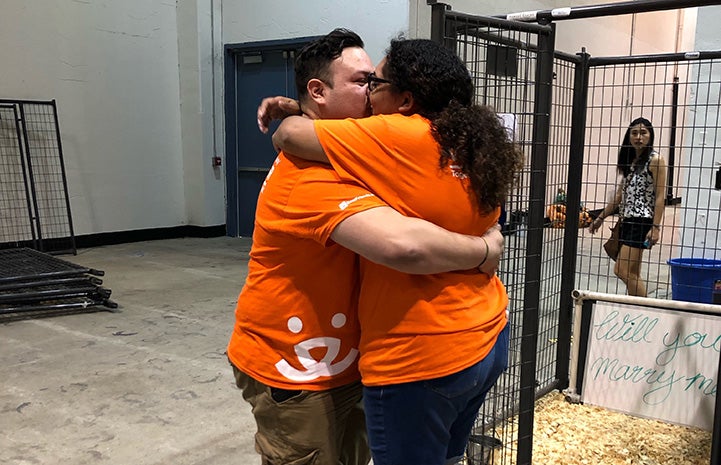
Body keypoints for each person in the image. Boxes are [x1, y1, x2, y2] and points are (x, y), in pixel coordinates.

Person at [227, 30, 504, 465]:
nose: (371, 94)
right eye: (362, 82)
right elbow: (402, 245)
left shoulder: (374, 148)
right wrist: (485, 250)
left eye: (376, 82)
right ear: (318, 91)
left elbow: (299, 131)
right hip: (298, 367)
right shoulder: (309, 174)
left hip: (349, 360)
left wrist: (298, 113)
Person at [589, 117, 667, 297]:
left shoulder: (656, 160)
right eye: (634, 133)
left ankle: (645, 308)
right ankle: (638, 310)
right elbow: (619, 196)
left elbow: (661, 196)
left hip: (641, 221)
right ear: (629, 136)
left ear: (650, 135)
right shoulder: (631, 161)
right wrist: (600, 218)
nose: (638, 137)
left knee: (622, 270)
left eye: (643, 133)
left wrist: (655, 227)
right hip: (627, 220)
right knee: (633, 273)